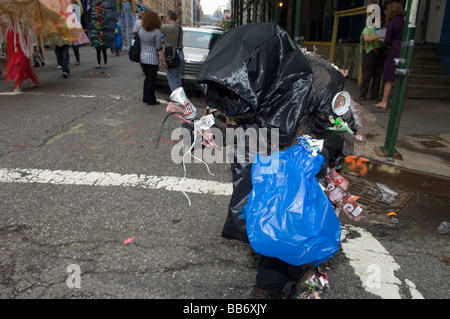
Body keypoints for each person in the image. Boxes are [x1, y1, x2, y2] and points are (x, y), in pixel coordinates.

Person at [375, 2, 405, 109]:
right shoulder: (404, 21)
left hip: (394, 49)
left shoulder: (392, 22)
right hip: (404, 48)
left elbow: (387, 40)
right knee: (400, 75)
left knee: (389, 76)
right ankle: (398, 101)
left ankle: (384, 101)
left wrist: (383, 39)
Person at [139, 10, 167, 105]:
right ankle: (151, 100)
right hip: (152, 59)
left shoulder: (141, 30)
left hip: (142, 57)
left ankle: (145, 97)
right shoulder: (157, 32)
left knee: (147, 78)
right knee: (152, 80)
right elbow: (159, 48)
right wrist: (163, 61)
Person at [359, 16, 385, 102]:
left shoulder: (383, 30)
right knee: (367, 74)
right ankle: (362, 94)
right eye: (378, 20)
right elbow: (366, 38)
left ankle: (375, 95)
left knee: (377, 75)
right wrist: (379, 36)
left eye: (382, 20)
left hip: (380, 52)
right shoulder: (368, 29)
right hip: (369, 52)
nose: (380, 21)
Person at [161, 10, 184, 93]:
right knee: (178, 76)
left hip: (172, 55)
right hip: (180, 53)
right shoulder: (179, 27)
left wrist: (160, 19)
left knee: (172, 77)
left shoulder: (168, 27)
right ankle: (180, 95)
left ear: (168, 18)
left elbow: (158, 27)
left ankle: (175, 98)